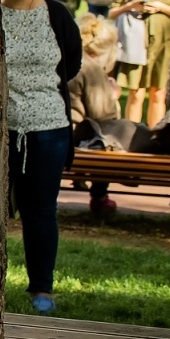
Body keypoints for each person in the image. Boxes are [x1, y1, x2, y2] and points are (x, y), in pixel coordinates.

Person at [0, 0, 81, 316]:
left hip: (48, 127)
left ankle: (41, 289)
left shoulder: (56, 13)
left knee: (41, 211)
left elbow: (71, 64)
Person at [109, 0, 170, 124]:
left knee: (158, 93)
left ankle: (154, 138)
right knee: (136, 93)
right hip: (136, 45)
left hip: (163, 44)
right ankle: (132, 138)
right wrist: (129, 6)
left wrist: (163, 8)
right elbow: (112, 13)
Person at [70, 14, 122, 218]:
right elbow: (104, 115)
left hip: (53, 131)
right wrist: (114, 96)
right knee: (109, 138)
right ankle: (99, 197)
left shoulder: (63, 57)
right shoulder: (91, 69)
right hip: (75, 136)